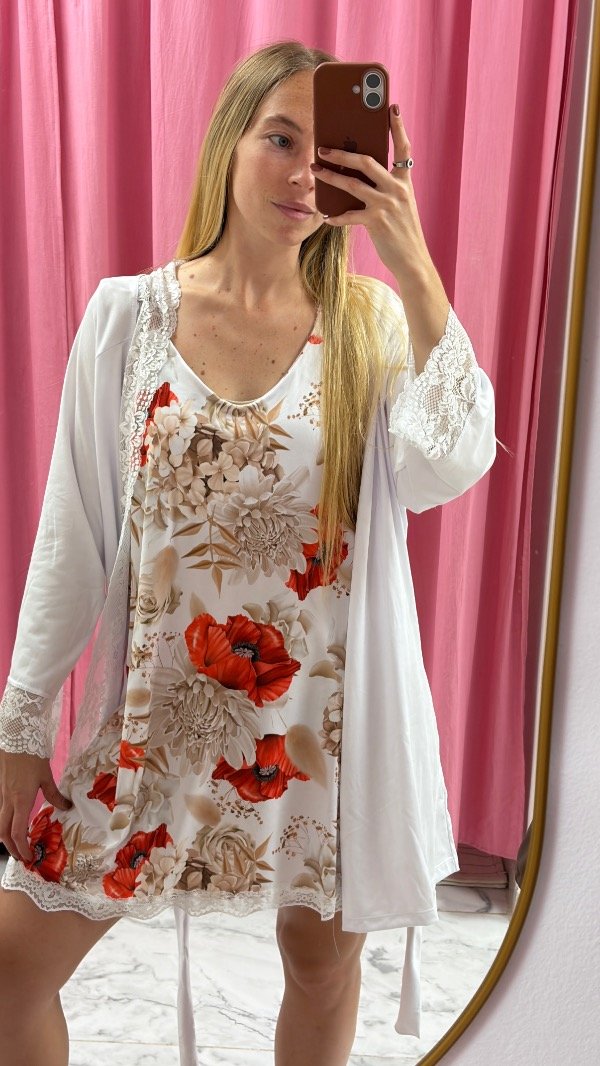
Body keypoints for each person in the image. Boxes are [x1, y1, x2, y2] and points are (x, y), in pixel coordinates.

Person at [0, 39, 496, 1066]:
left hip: (320, 730)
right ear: (229, 141)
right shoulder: (129, 316)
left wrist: (409, 256)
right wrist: (22, 719)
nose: (306, 173)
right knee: (9, 976)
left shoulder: (370, 326)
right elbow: (72, 529)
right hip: (153, 725)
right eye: (281, 139)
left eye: (333, 151)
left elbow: (450, 463)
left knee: (320, 967)